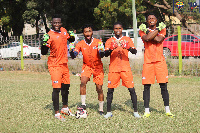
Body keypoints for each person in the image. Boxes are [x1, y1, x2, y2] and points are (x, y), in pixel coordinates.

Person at [139, 13, 175, 118]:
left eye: (153, 18)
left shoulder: (162, 29)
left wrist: (150, 34)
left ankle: (167, 110)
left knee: (163, 86)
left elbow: (159, 40)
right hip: (148, 62)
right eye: (149, 18)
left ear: (156, 20)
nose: (151, 19)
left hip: (160, 62)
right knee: (146, 86)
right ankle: (146, 111)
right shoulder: (142, 30)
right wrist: (152, 33)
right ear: (147, 21)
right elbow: (146, 39)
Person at [41, 14, 75, 121]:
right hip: (55, 65)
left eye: (58, 22)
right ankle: (56, 113)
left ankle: (65, 108)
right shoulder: (49, 34)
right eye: (54, 23)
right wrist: (44, 43)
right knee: (57, 88)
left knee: (66, 87)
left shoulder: (64, 31)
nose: (57, 24)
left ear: (61, 23)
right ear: (52, 23)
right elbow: (43, 52)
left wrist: (72, 35)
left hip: (64, 64)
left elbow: (71, 39)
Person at [104, 21, 141, 118]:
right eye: (116, 28)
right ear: (113, 30)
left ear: (122, 29)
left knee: (131, 89)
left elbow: (134, 51)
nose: (117, 30)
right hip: (113, 69)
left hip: (125, 68)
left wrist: (127, 47)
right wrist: (111, 48)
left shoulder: (127, 39)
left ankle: (135, 111)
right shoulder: (109, 41)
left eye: (119, 28)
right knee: (110, 90)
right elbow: (105, 54)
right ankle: (108, 112)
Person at [69, 24, 105, 115]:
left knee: (99, 88)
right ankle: (83, 104)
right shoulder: (80, 43)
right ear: (83, 33)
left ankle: (101, 109)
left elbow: (102, 55)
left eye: (89, 31)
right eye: (85, 32)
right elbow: (74, 55)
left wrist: (101, 50)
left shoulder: (98, 42)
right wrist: (71, 50)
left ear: (92, 32)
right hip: (87, 66)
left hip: (98, 67)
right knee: (83, 82)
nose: (87, 33)